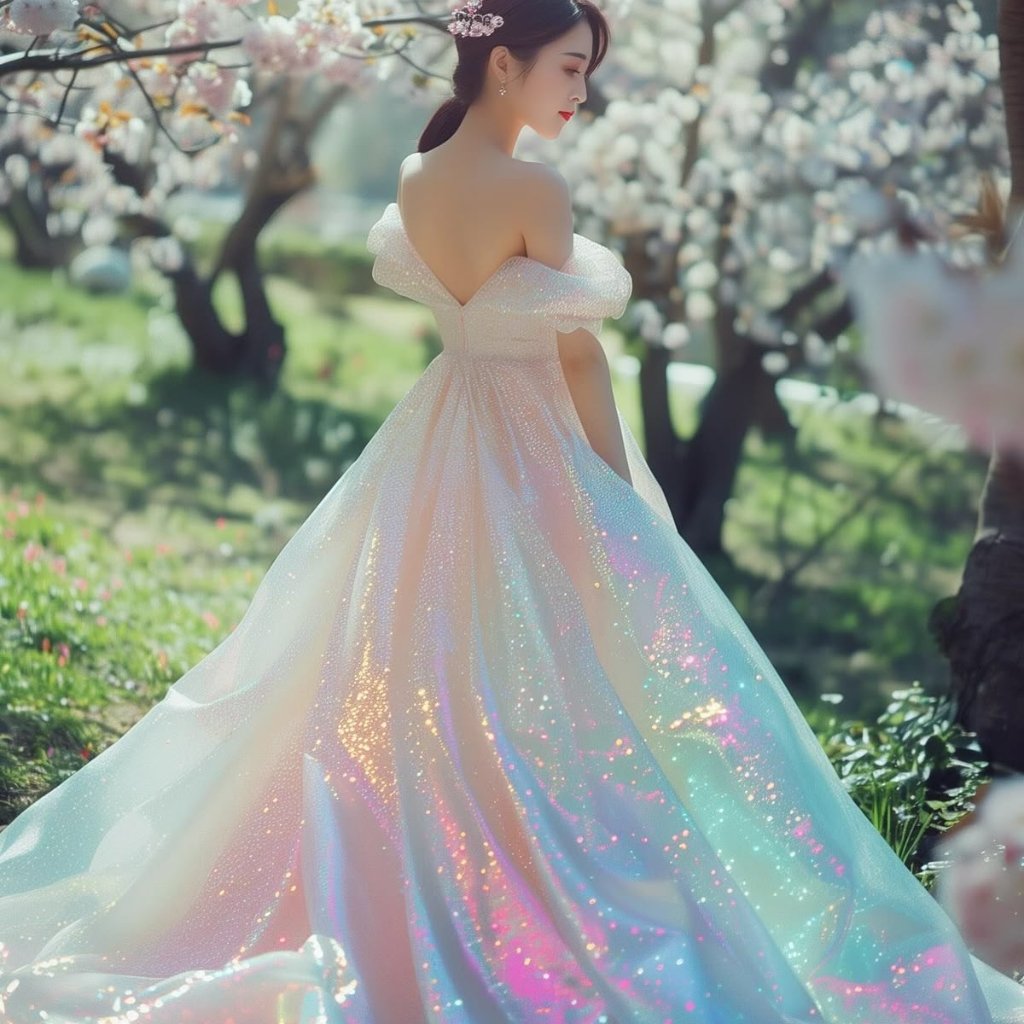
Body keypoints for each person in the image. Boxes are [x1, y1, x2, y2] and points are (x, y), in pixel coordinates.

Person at [1, 0, 1023, 1021]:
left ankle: (418, 845)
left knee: (420, 649)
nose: (581, 91)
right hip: (528, 443)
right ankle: (518, 875)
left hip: (437, 430)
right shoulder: (535, 186)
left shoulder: (419, 172)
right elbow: (575, 352)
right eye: (569, 68)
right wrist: (617, 490)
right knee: (555, 663)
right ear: (504, 65)